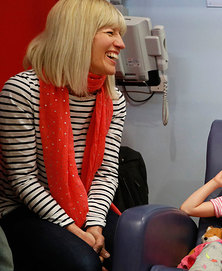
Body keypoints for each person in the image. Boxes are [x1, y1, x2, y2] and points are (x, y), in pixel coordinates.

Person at [0, 0, 126, 270]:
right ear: (78, 34)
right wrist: (76, 232)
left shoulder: (114, 100)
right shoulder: (21, 91)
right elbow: (23, 179)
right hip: (24, 208)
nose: (121, 44)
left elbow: (106, 173)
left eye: (120, 35)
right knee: (83, 262)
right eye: (110, 33)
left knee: (135, 246)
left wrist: (94, 226)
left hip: (84, 203)